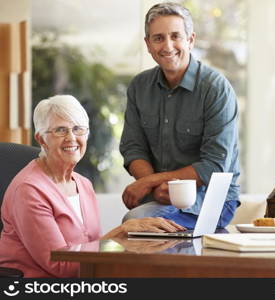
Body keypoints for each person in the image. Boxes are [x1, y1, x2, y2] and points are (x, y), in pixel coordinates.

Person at [0, 95, 185, 278]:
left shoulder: (83, 184)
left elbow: (91, 246)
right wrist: (121, 232)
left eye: (78, 129)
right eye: (60, 130)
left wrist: (136, 240)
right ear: (41, 139)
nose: (71, 138)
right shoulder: (29, 190)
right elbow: (62, 266)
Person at [120, 2, 240, 229]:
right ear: (148, 44)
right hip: (158, 197)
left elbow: (214, 165)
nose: (167, 45)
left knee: (135, 222)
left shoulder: (215, 88)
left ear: (190, 40)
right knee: (137, 224)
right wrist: (156, 189)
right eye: (158, 38)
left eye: (176, 36)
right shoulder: (139, 86)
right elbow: (133, 148)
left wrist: (149, 182)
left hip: (210, 201)